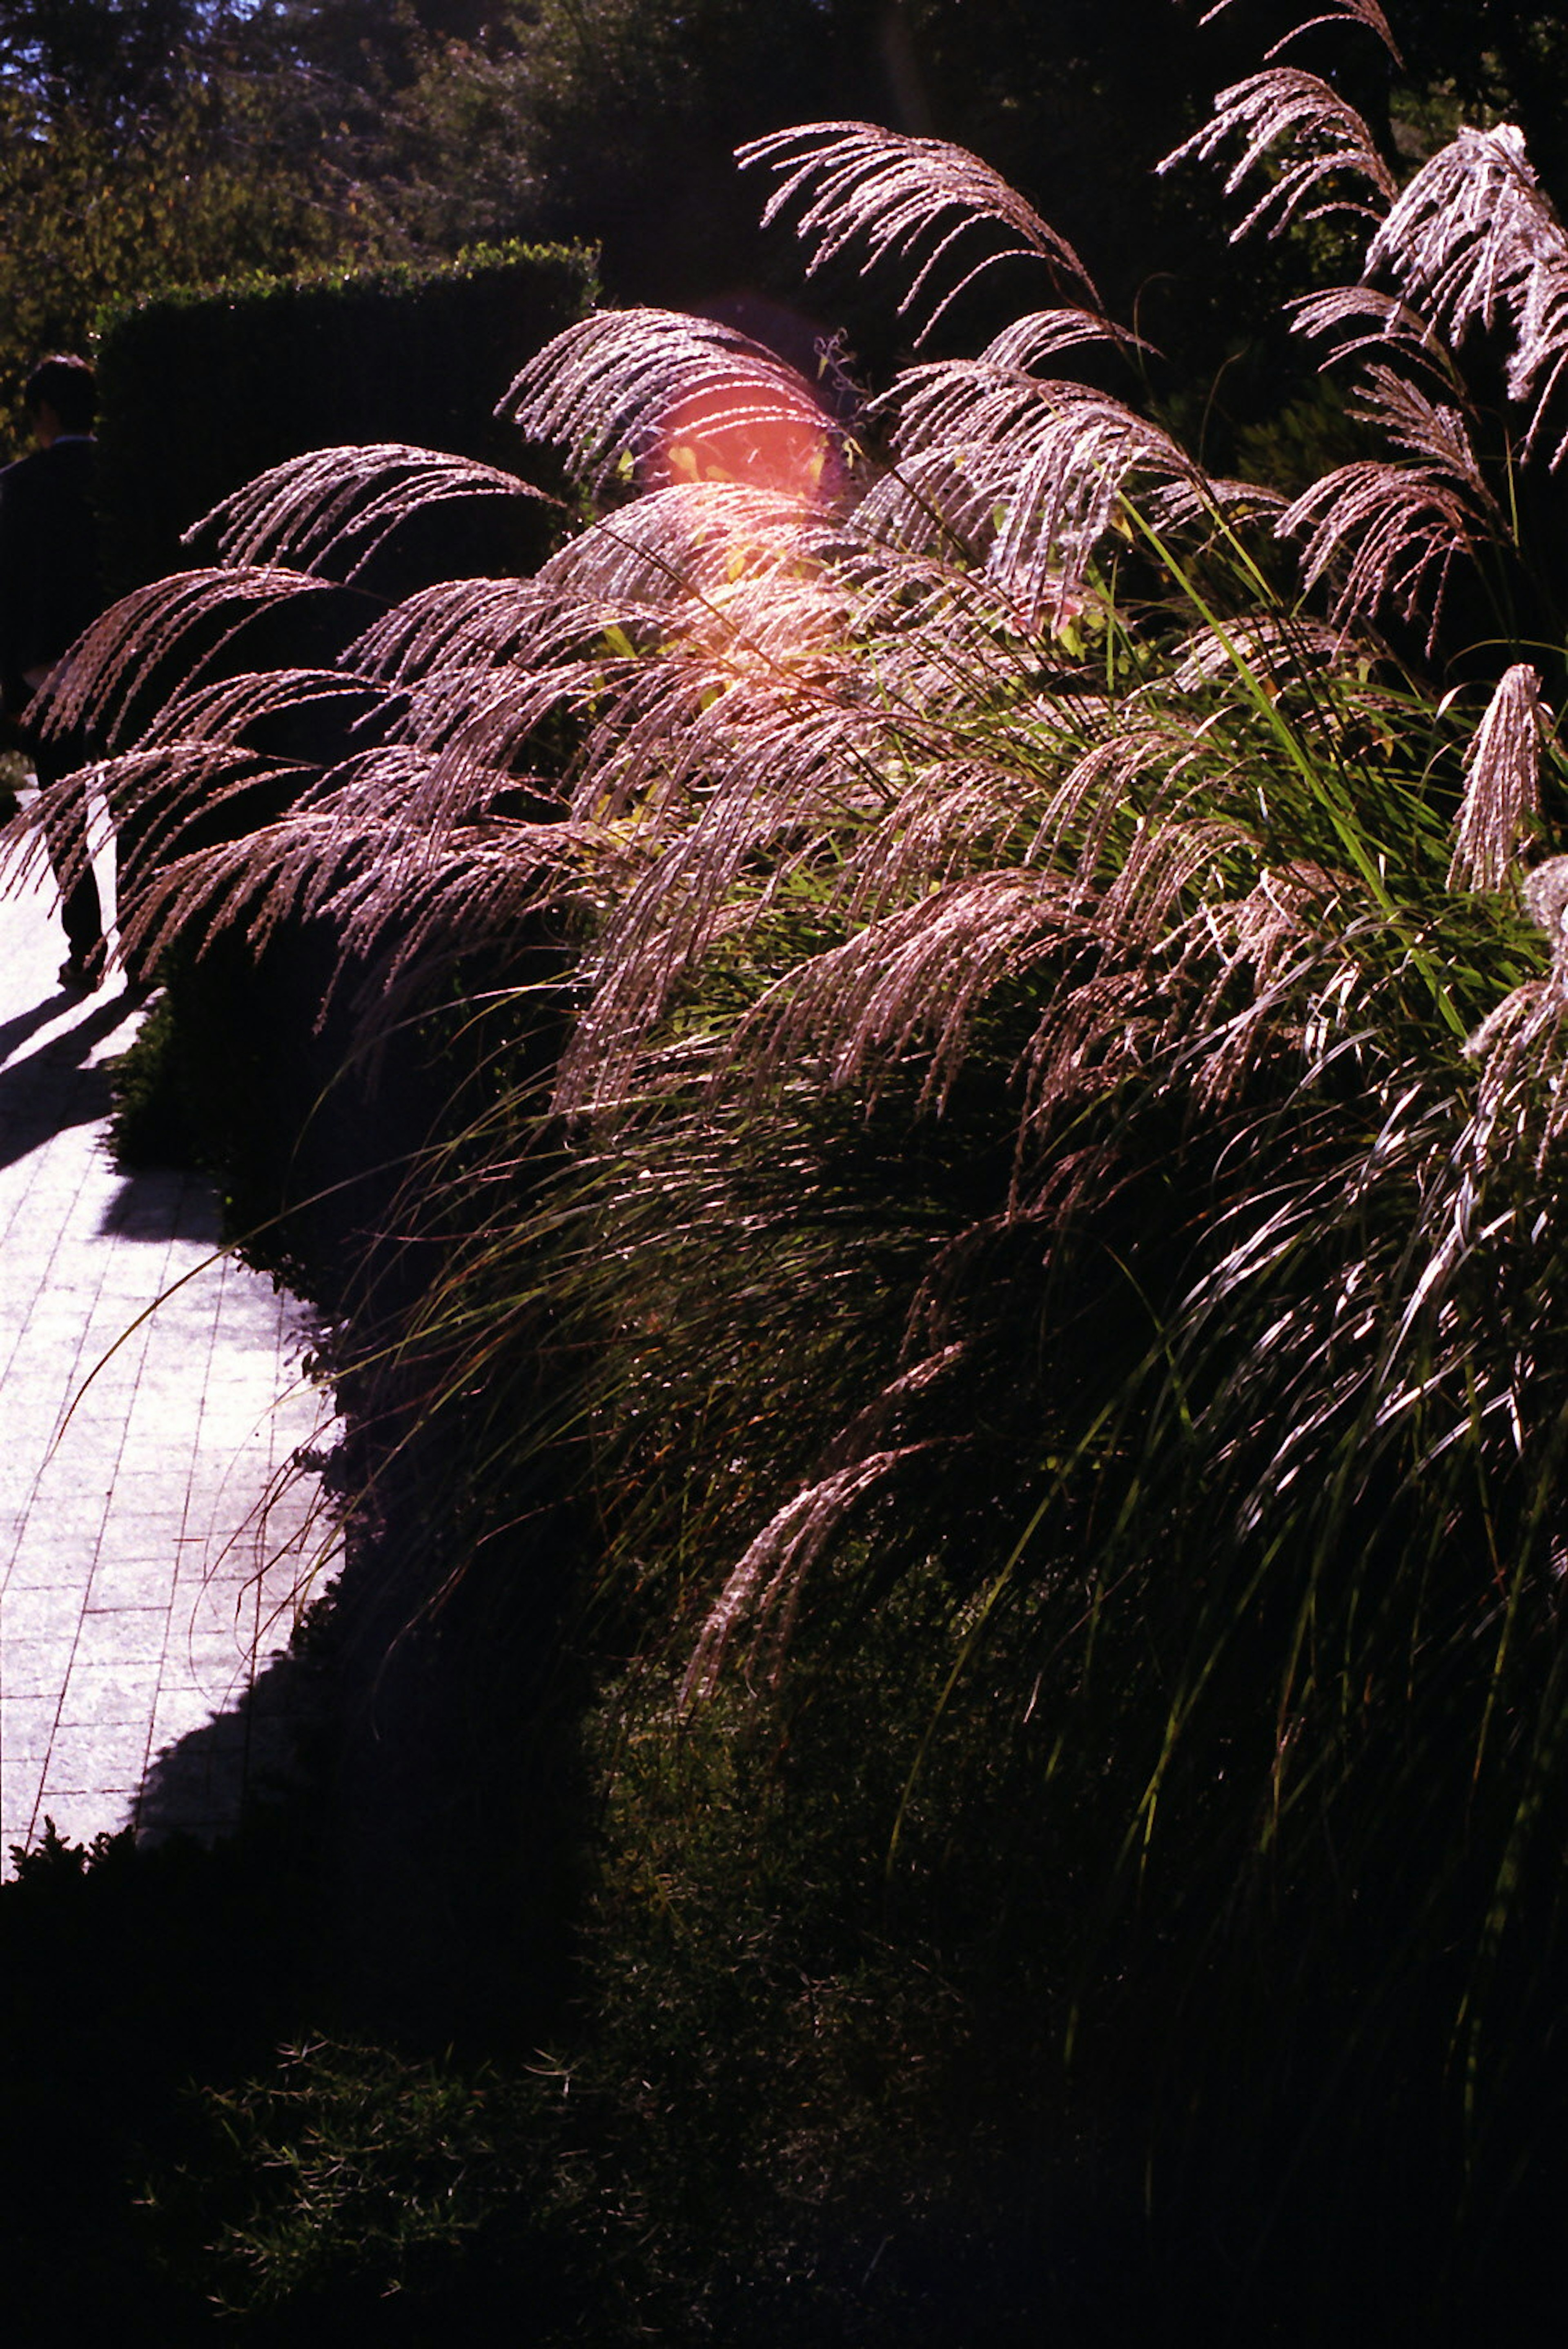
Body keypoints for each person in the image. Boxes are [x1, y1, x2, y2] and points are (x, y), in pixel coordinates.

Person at [0, 353, 108, 989]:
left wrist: (11, 682)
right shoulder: (125, 474)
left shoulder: (18, 486)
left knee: (66, 809)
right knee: (137, 802)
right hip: (125, 657)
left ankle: (87, 946)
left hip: (48, 669)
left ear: (45, 411)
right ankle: (150, 950)